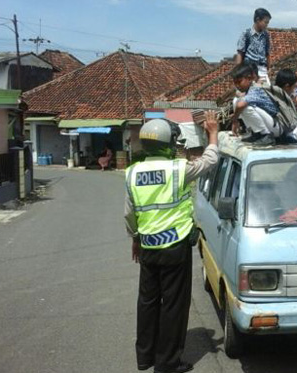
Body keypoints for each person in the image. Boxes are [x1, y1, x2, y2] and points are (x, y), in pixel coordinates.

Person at [124, 112, 219, 373]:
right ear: (167, 144)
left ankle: (146, 357)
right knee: (174, 306)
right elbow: (210, 161)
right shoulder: (179, 169)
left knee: (148, 302)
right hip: (174, 245)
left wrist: (135, 239)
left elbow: (129, 214)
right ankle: (167, 363)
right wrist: (212, 133)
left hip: (147, 247)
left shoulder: (132, 173)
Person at [230, 63, 280, 145]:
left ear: (249, 78)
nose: (237, 85)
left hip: (276, 126)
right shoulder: (250, 89)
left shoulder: (256, 88)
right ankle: (256, 133)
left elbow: (241, 105)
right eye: (235, 83)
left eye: (239, 82)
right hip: (271, 124)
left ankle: (266, 136)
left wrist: (234, 120)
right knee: (237, 101)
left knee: (244, 107)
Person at [235, 8, 271, 83]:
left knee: (263, 91)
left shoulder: (266, 36)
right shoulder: (246, 34)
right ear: (258, 20)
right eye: (265, 22)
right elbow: (240, 53)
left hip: (262, 69)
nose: (267, 25)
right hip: (249, 69)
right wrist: (238, 71)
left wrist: (268, 69)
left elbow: (267, 54)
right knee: (250, 90)